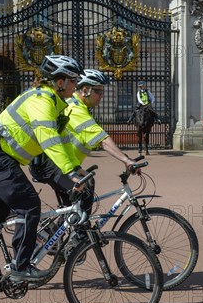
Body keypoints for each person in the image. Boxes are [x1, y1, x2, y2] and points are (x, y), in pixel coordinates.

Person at [0, 54, 86, 281]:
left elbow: (61, 141)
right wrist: (70, 173)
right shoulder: (41, 100)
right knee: (29, 205)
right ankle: (20, 266)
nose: (76, 85)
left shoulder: (54, 103)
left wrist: (75, 167)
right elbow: (48, 139)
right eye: (73, 80)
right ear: (60, 81)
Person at [29, 69, 140, 213]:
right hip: (49, 164)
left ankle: (69, 229)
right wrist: (126, 160)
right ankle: (82, 233)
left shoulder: (81, 107)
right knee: (86, 185)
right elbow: (102, 139)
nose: (102, 96)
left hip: (59, 164)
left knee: (73, 208)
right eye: (98, 92)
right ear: (86, 90)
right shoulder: (74, 108)